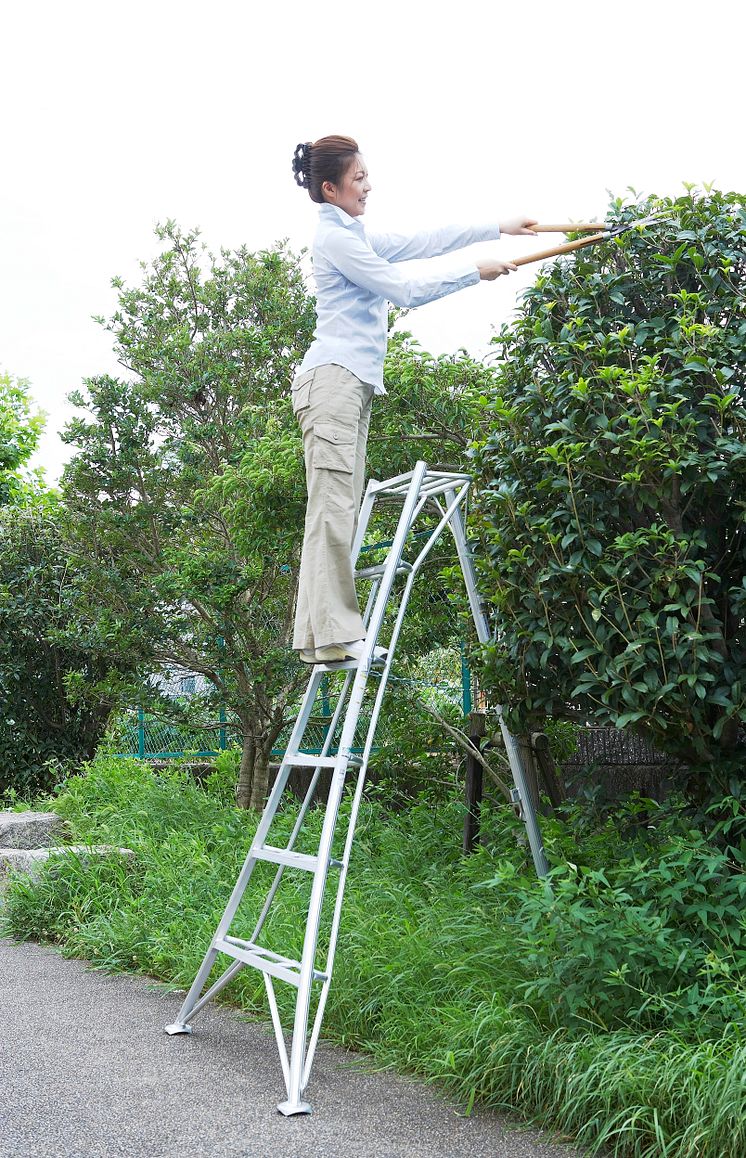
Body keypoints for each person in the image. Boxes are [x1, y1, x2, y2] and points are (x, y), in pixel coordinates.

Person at [290, 134, 536, 665]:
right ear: (330, 188)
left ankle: (321, 639)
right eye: (358, 179)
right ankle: (335, 636)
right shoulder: (337, 241)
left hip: (344, 384)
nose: (368, 185)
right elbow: (402, 291)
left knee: (335, 511)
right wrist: (476, 273)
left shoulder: (351, 233)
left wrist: (498, 227)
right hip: (332, 381)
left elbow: (425, 240)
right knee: (333, 511)